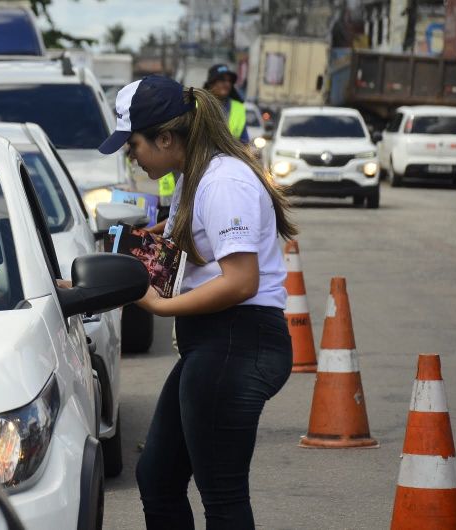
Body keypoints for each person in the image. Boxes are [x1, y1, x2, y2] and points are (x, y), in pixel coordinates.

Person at [98, 75, 297, 530]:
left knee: (222, 498)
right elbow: (192, 263)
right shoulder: (197, 177)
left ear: (166, 138)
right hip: (214, 345)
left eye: (134, 146)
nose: (132, 157)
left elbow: (242, 281)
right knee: (158, 478)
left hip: (237, 342)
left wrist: (160, 307)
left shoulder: (224, 182)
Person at [158, 64, 249, 225]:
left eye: (229, 81)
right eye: (221, 80)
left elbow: (244, 144)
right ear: (211, 83)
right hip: (195, 169)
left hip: (223, 173)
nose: (226, 84)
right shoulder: (195, 106)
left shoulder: (238, 108)